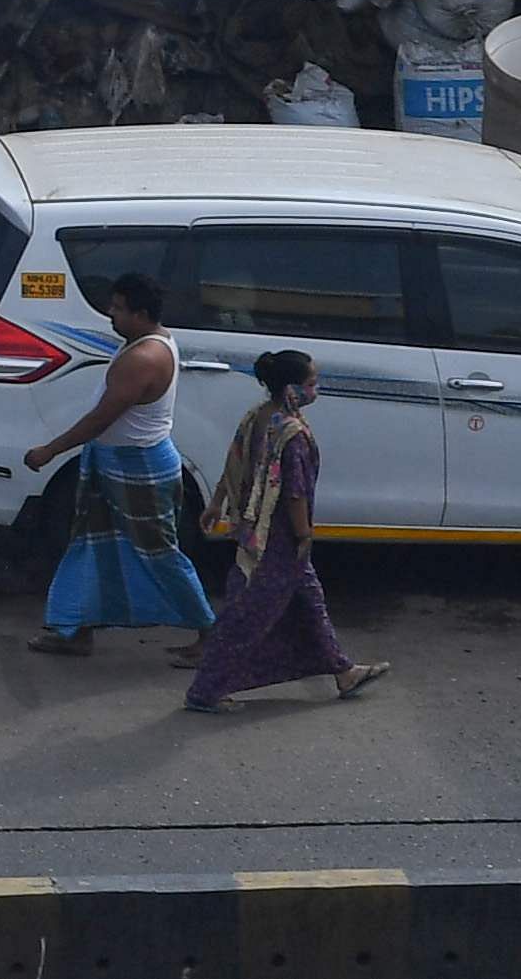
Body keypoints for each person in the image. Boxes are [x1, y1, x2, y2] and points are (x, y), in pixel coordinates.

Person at [185, 348, 391, 713]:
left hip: (257, 531)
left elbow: (235, 461)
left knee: (309, 602)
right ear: (292, 389)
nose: (317, 389)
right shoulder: (292, 434)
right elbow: (294, 493)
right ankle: (205, 690)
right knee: (247, 614)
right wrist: (304, 534)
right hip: (275, 539)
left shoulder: (257, 417)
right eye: (312, 383)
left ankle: (343, 671)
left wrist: (217, 503)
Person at [26, 273, 217, 656]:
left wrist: (50, 450)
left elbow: (101, 418)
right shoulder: (144, 342)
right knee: (89, 545)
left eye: (117, 309)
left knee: (159, 554)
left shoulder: (144, 358)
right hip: (112, 463)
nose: (110, 314)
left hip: (138, 469)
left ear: (141, 314)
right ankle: (77, 630)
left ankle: (210, 634)